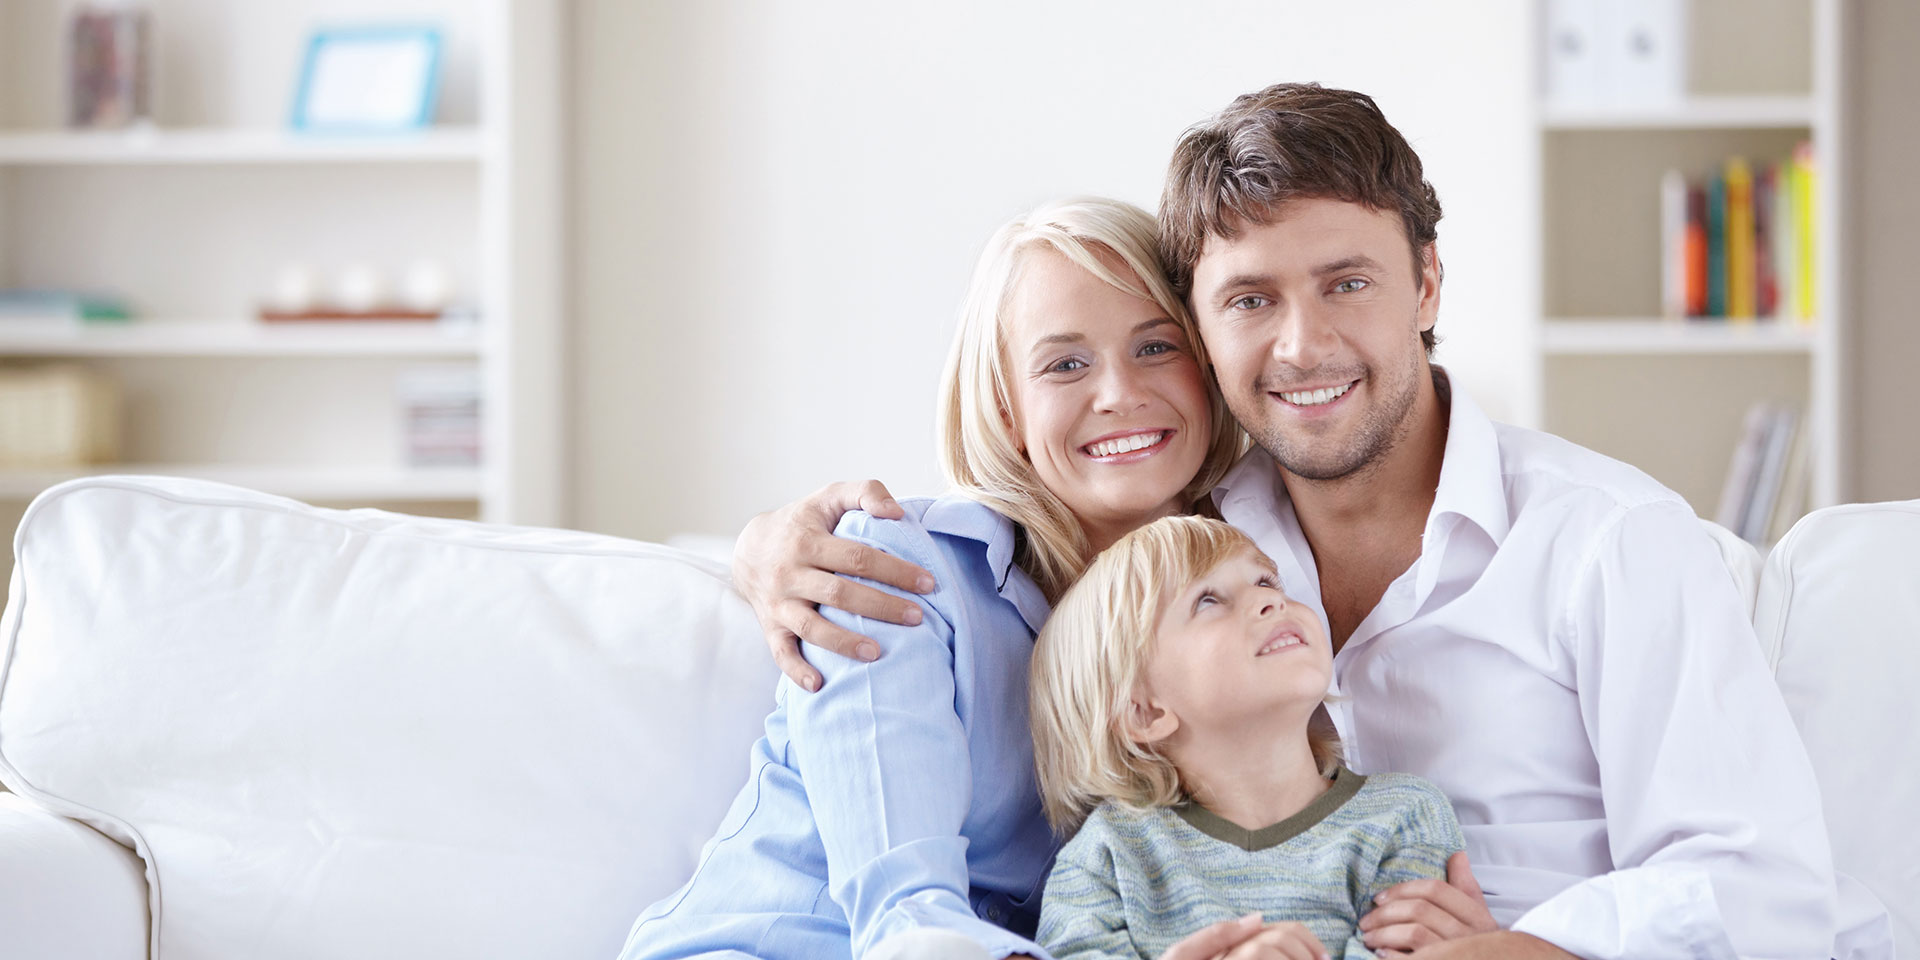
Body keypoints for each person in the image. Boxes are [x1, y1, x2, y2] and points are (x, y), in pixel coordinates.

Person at [732, 83, 1891, 958]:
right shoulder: (1180, 543)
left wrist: (1524, 950)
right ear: (1206, 323)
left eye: (1347, 282)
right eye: (1248, 301)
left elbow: (1764, 881)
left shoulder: (1610, 542)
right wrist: (765, 550)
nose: (1301, 347)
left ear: (1427, 285)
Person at [619, 196, 1248, 960]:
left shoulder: (1244, 594)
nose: (1118, 392)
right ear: (1007, 410)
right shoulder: (896, 567)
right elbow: (907, 921)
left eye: (1156, 348)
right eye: (1065, 364)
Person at [1030, 514, 1464, 960]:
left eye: (1266, 581)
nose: (1269, 602)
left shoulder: (1405, 816)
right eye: (1208, 601)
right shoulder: (1107, 855)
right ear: (1145, 711)